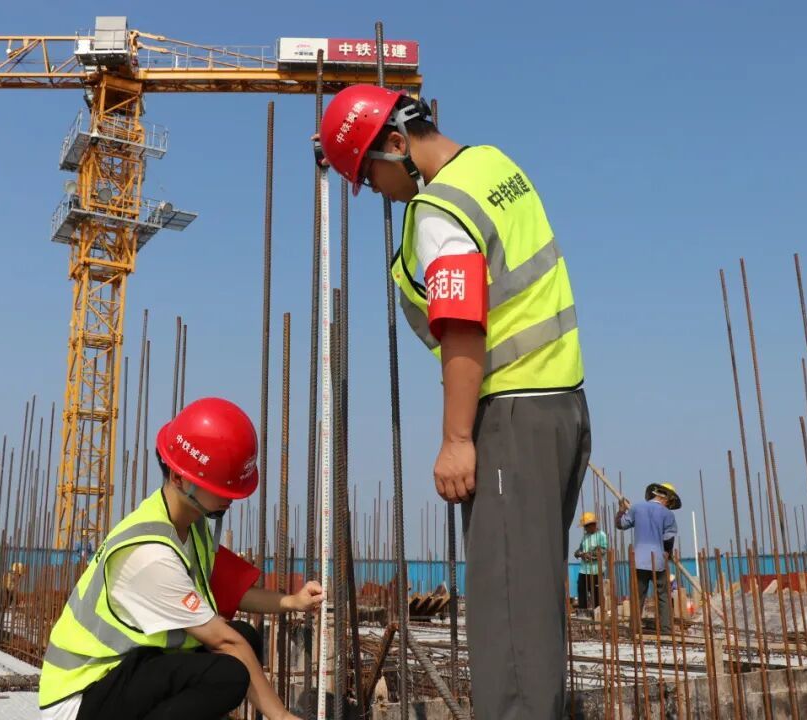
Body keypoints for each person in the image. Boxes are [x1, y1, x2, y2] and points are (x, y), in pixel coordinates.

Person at [317, 86, 591, 720]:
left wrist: (457, 440)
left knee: (508, 622)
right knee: (534, 607)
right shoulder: (493, 166)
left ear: (396, 145)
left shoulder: (440, 211)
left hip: (512, 417)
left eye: (371, 176)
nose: (379, 192)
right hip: (563, 408)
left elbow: (463, 324)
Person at [39, 397, 323, 720]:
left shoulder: (191, 524)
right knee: (229, 673)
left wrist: (292, 602)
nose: (230, 497)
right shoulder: (150, 555)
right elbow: (225, 642)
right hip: (80, 695)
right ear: (179, 479)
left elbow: (232, 591)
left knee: (245, 639)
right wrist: (282, 716)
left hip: (125, 670)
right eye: (220, 487)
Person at [615, 482, 680, 635]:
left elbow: (620, 524)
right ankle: (666, 630)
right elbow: (668, 538)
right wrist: (667, 553)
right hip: (658, 560)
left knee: (637, 597)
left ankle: (634, 630)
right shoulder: (668, 514)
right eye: (669, 502)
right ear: (666, 498)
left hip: (639, 560)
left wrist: (621, 510)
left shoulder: (636, 508)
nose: (669, 505)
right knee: (663, 596)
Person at [573, 512, 608, 615]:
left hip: (596, 571)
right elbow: (579, 550)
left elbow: (603, 550)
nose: (585, 529)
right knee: (582, 592)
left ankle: (597, 615)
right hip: (584, 570)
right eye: (584, 527)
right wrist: (580, 554)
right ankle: (583, 614)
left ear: (593, 525)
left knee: (597, 595)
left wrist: (591, 554)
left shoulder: (601, 535)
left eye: (586, 526)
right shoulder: (585, 537)